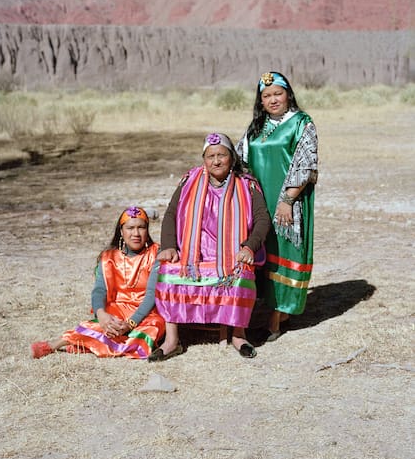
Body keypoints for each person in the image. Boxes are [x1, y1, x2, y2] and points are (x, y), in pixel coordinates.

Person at [149, 132, 271, 362]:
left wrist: (250, 247)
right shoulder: (189, 180)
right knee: (169, 271)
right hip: (193, 255)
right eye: (210, 156)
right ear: (204, 159)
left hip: (231, 253)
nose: (216, 161)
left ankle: (238, 335)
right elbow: (172, 214)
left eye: (222, 155)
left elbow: (262, 218)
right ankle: (172, 340)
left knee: (240, 272)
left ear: (232, 158)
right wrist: (169, 245)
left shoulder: (247, 185)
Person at [237, 72, 318, 340]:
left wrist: (287, 200)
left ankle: (276, 319)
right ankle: (268, 310)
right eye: (266, 96)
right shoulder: (256, 127)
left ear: (288, 94)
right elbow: (240, 160)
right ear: (260, 101)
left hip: (287, 203)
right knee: (263, 255)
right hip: (259, 203)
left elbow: (306, 165)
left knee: (283, 254)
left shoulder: (301, 123)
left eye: (277, 93)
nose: (273, 100)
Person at [31, 206, 165, 359]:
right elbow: (99, 290)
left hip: (148, 313)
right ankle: (54, 345)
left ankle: (85, 345)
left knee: (148, 332)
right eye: (130, 228)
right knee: (100, 326)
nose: (136, 233)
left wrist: (130, 324)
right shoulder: (108, 257)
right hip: (118, 310)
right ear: (121, 231)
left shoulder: (157, 254)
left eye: (141, 227)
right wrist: (102, 315)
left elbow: (151, 294)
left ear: (147, 230)